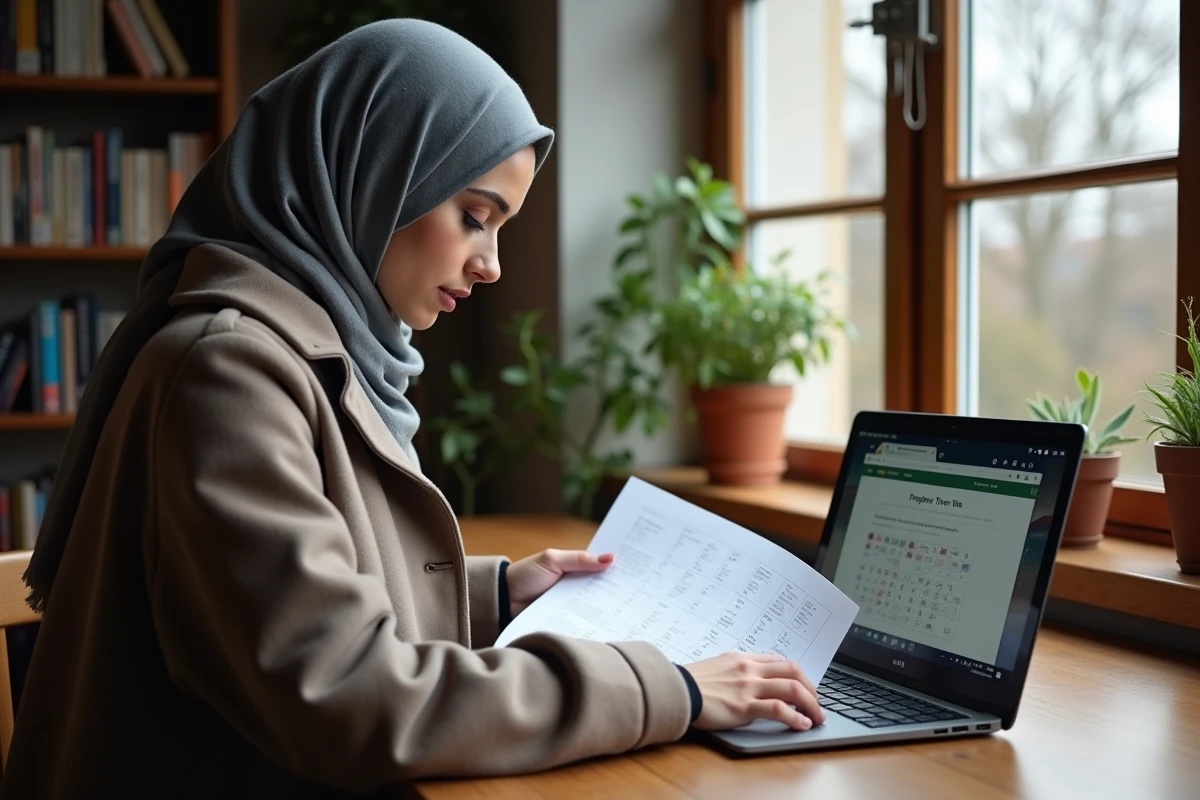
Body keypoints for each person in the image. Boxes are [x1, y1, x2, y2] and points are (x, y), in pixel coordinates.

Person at [0, 19, 822, 798]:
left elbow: (285, 598)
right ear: (375, 172)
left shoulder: (298, 348)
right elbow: (348, 697)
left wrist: (494, 595)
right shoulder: (230, 372)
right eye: (474, 216)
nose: (492, 265)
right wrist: (666, 687)